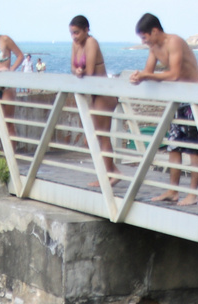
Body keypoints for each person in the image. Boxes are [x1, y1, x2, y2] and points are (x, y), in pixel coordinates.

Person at [129, 13, 198, 206]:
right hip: (176, 100)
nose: (144, 42)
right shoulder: (154, 47)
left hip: (193, 97)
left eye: (145, 37)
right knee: (173, 146)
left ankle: (193, 194)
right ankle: (173, 190)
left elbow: (174, 74)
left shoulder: (175, 42)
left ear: (155, 31)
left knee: (193, 149)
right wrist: (139, 77)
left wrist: (147, 75)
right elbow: (149, 71)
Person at [69, 15, 118, 182]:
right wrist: (76, 71)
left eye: (76, 33)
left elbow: (89, 72)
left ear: (86, 30)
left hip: (104, 92)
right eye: (72, 33)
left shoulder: (91, 42)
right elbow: (73, 66)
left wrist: (81, 71)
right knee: (94, 136)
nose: (74, 36)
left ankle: (108, 175)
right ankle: (111, 172)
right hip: (95, 94)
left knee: (99, 135)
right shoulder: (76, 44)